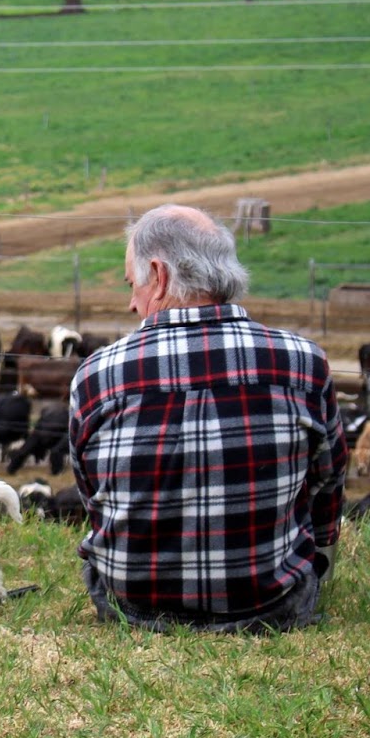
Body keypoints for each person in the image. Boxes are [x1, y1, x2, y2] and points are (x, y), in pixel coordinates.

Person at [68, 203, 346, 633]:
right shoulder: (303, 362)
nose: (131, 303)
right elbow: (328, 482)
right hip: (273, 606)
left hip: (132, 609)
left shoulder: (96, 376)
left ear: (158, 277)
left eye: (133, 285)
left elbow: (92, 498)